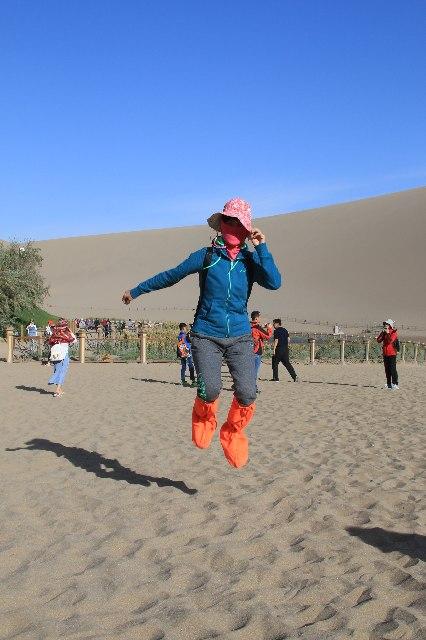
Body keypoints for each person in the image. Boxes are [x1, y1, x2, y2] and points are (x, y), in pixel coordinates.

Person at [122, 197, 281, 468]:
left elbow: (274, 282)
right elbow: (172, 275)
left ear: (246, 227)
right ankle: (204, 418)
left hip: (241, 336)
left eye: (238, 222)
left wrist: (262, 248)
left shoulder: (250, 261)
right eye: (228, 221)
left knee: (247, 393)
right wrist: (136, 291)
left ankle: (232, 433)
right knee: (210, 390)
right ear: (221, 224)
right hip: (206, 334)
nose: (232, 226)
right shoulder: (206, 256)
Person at [47, 319, 77, 397]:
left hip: (55, 352)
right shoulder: (66, 331)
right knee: (62, 371)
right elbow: (74, 340)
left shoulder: (55, 332)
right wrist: (70, 331)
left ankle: (59, 389)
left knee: (57, 369)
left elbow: (50, 341)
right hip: (63, 353)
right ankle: (57, 388)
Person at [250, 311, 273, 391]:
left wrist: (261, 327)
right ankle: (253, 387)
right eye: (259, 317)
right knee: (254, 371)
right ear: (256, 318)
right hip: (256, 351)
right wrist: (269, 328)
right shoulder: (257, 327)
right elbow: (267, 336)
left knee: (248, 370)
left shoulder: (249, 326)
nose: (260, 319)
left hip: (248, 351)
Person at [377, 319, 399, 389]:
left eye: (386, 324)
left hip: (392, 353)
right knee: (387, 369)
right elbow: (378, 340)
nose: (385, 325)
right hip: (385, 353)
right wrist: (382, 334)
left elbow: (390, 341)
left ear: (390, 325)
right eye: (384, 324)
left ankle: (395, 384)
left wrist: (387, 333)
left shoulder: (394, 333)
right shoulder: (384, 332)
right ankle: (389, 384)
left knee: (392, 369)